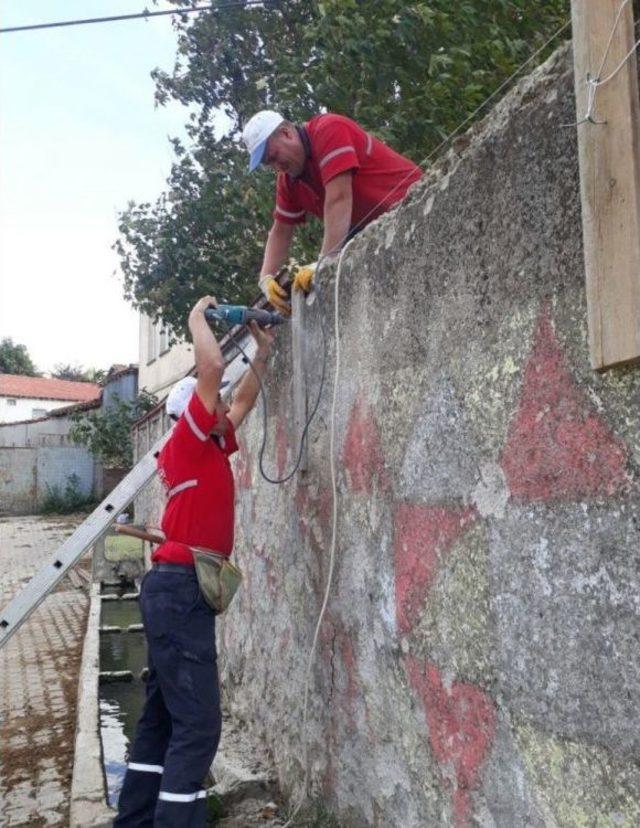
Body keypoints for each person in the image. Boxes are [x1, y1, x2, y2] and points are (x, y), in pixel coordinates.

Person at [114, 296, 274, 828]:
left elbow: (243, 403)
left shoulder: (208, 445)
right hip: (181, 591)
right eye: (215, 405)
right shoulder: (185, 440)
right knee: (199, 727)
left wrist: (263, 352)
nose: (225, 410)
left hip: (175, 589)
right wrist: (196, 319)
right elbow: (210, 369)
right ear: (195, 413)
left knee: (161, 716)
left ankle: (135, 818)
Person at [242, 110, 422, 314]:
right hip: (377, 228)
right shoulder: (288, 180)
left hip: (414, 205)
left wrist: (324, 262)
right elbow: (281, 230)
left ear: (286, 133)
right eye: (269, 164)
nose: (276, 167)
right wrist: (265, 278)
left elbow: (339, 198)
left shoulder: (328, 129)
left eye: (274, 156)